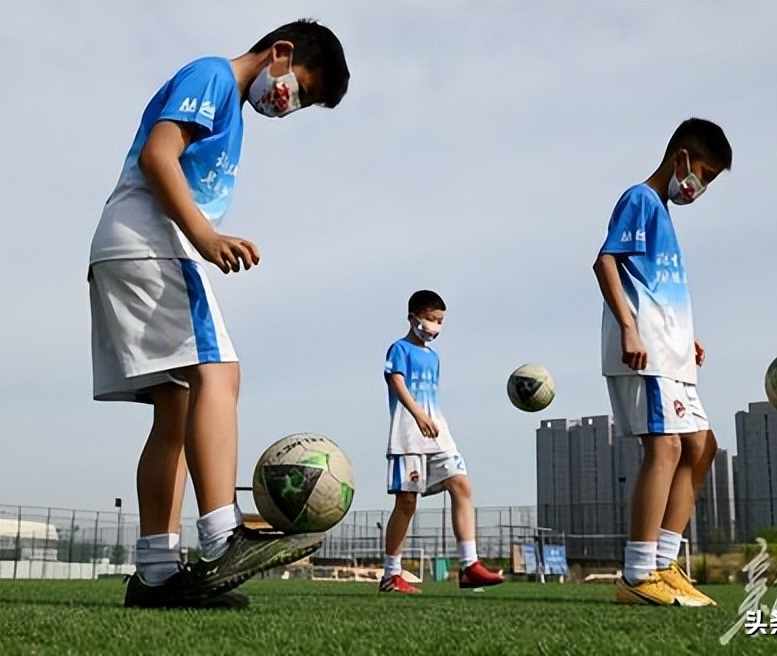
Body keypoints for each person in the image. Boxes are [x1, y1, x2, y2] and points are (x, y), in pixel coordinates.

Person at [88, 19, 350, 608]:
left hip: (128, 247)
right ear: (279, 54)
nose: (288, 105)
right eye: (297, 90)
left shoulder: (230, 110)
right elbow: (160, 155)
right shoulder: (212, 75)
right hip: (152, 243)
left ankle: (155, 573)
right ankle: (220, 534)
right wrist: (206, 237)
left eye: (300, 105)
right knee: (220, 373)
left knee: (177, 409)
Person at [592, 118, 731, 607]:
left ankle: (665, 563)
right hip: (645, 353)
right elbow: (605, 262)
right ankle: (636, 574)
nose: (701, 188)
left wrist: (686, 337)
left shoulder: (664, 216)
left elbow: (657, 286)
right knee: (667, 448)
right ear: (681, 161)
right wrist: (630, 327)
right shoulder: (641, 199)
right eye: (704, 175)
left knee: (703, 448)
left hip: (672, 353)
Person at [378, 290, 506, 594]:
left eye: (440, 321)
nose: (436, 326)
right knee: (407, 502)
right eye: (432, 319)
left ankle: (469, 566)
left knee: (461, 484)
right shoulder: (399, 349)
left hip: (437, 433)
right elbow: (396, 382)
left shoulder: (434, 357)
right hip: (408, 433)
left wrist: (432, 420)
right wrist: (418, 415)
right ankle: (390, 574)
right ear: (413, 317)